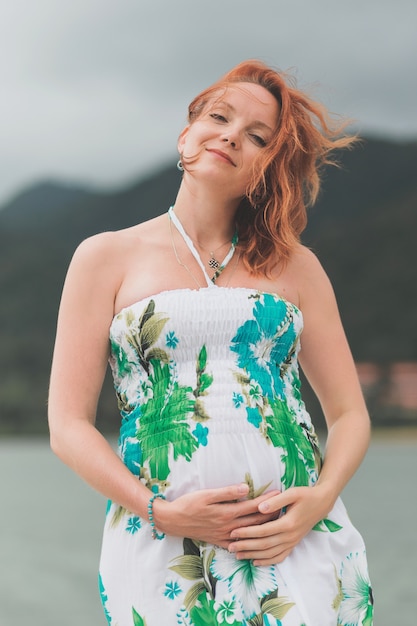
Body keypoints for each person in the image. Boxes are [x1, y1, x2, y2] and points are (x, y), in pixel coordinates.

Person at [48, 59, 374, 626]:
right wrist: (162, 513)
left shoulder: (297, 268)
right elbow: (68, 426)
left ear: (267, 169)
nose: (230, 136)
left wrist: (316, 505)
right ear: (186, 134)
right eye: (219, 118)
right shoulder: (104, 256)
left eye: (257, 137)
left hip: (293, 543)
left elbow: (349, 414)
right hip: (161, 544)